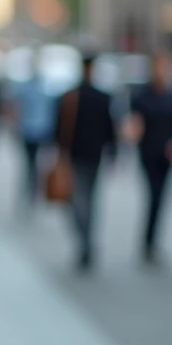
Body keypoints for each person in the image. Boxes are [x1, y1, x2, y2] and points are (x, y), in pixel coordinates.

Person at [55, 53, 117, 271]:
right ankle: (86, 241)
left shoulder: (76, 96)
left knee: (82, 201)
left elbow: (110, 128)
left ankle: (85, 242)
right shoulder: (78, 97)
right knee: (84, 201)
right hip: (82, 156)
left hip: (84, 156)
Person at [127, 51, 172, 265]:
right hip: (148, 153)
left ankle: (151, 241)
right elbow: (134, 123)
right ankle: (148, 242)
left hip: (167, 156)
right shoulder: (142, 95)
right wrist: (132, 132)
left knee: (161, 198)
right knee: (153, 195)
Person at [5, 50, 56, 208]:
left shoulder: (46, 86)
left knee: (34, 163)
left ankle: (32, 188)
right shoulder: (27, 86)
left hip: (40, 131)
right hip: (28, 130)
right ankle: (30, 189)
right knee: (30, 162)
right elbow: (14, 107)